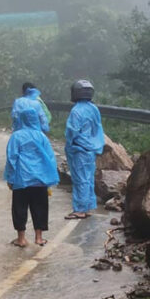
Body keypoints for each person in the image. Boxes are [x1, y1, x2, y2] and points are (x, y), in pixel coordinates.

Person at [4, 107, 59, 247]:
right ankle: (39, 238)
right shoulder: (42, 137)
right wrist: (50, 178)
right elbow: (50, 158)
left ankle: (21, 239)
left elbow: (11, 159)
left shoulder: (16, 136)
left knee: (19, 208)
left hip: (21, 179)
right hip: (40, 180)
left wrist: (10, 179)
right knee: (40, 207)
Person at [64, 79, 105, 220]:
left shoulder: (76, 111)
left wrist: (69, 143)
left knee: (80, 179)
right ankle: (88, 207)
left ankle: (80, 210)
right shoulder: (93, 108)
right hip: (91, 148)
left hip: (79, 149)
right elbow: (97, 128)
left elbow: (72, 131)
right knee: (88, 179)